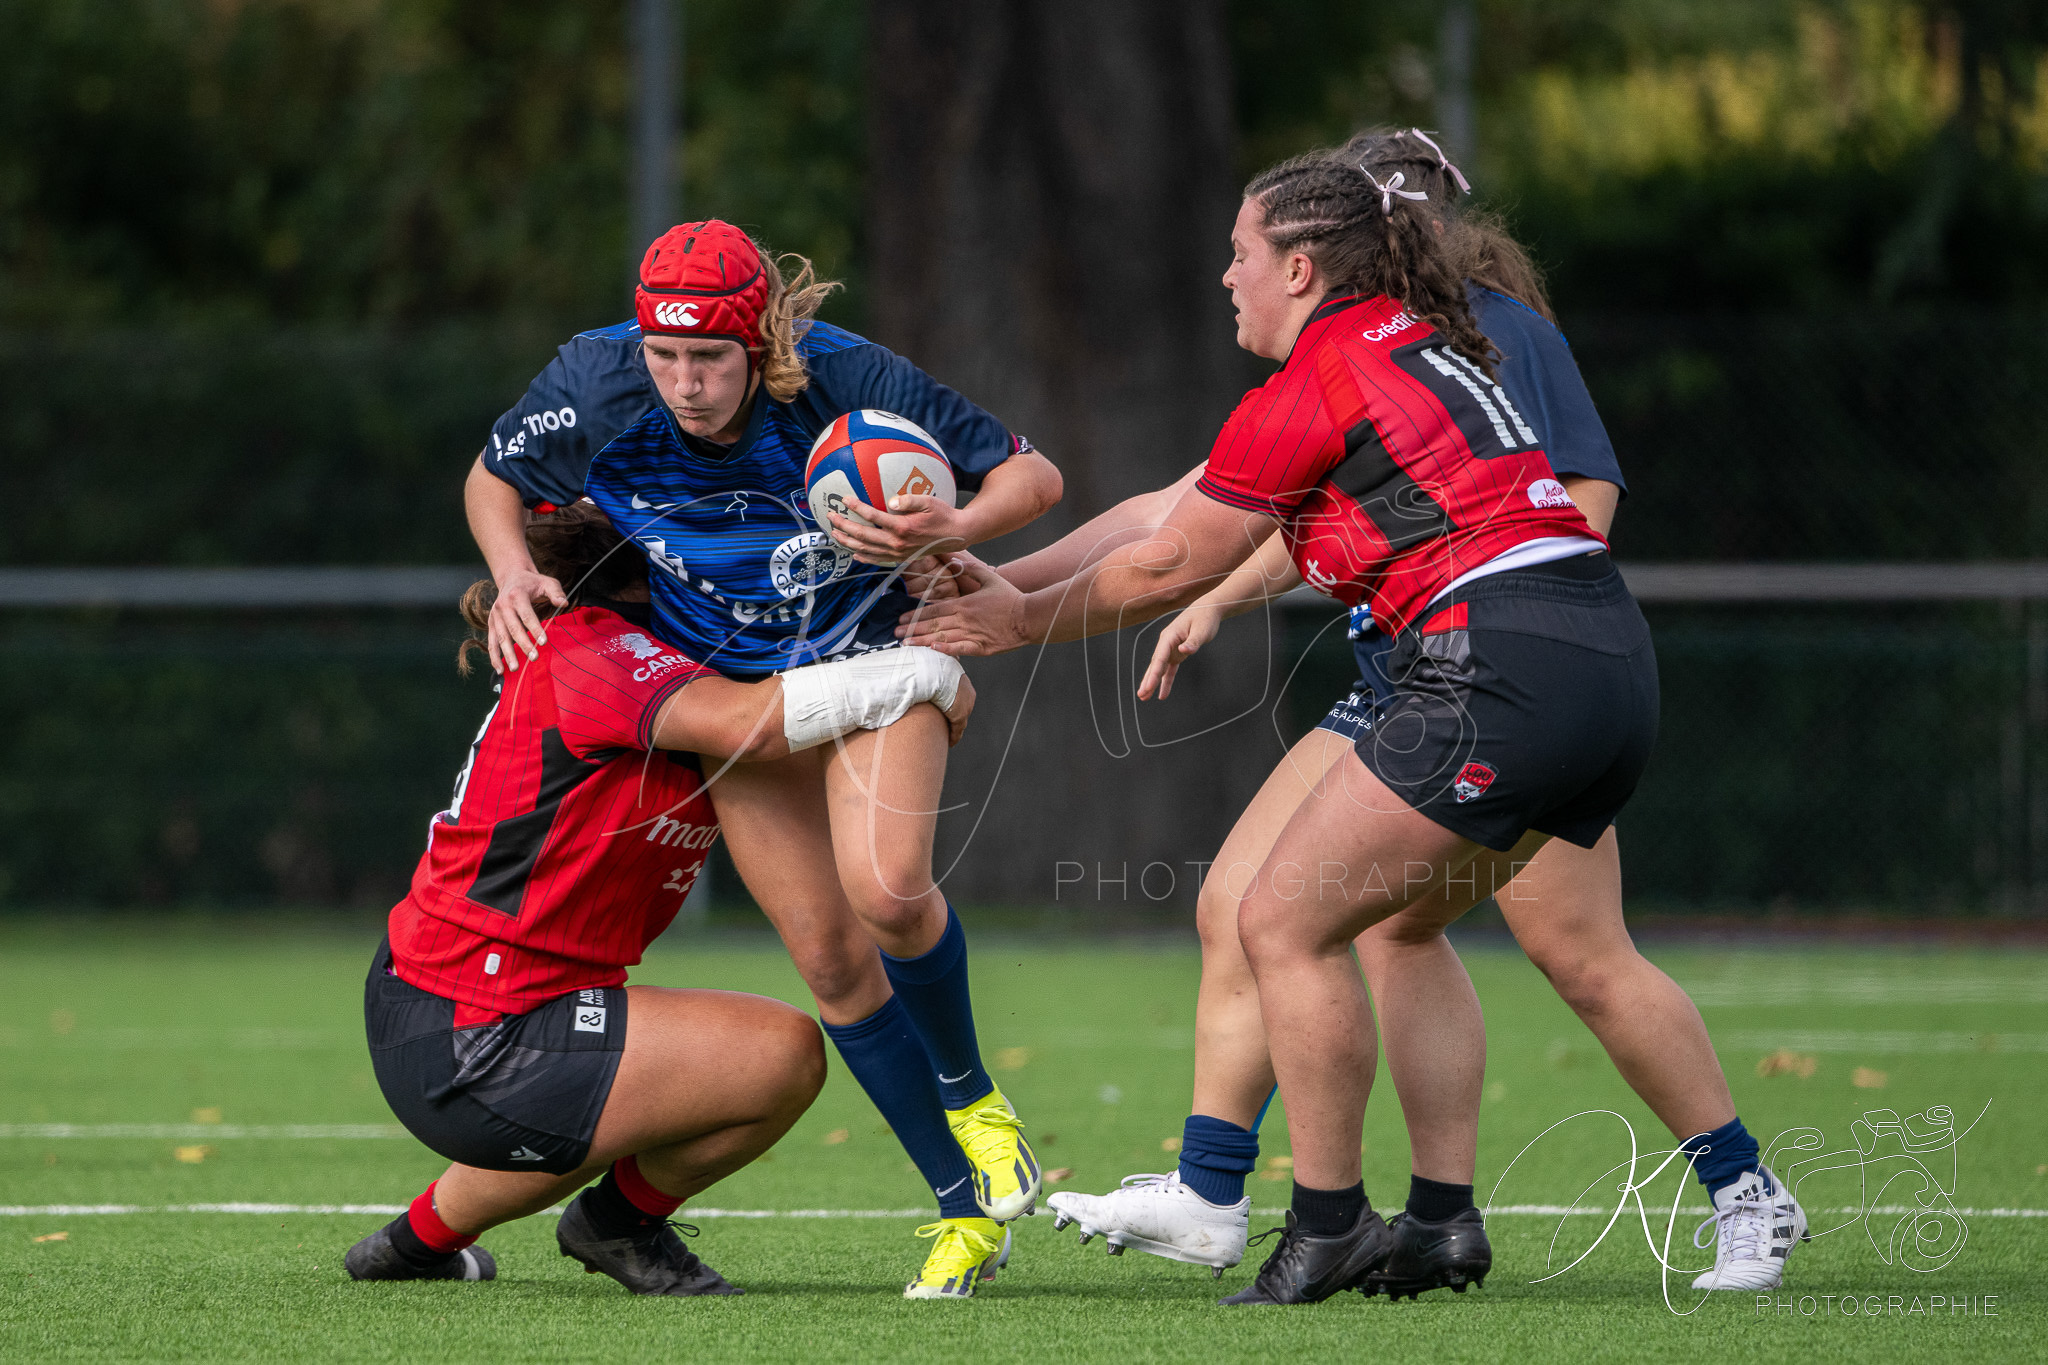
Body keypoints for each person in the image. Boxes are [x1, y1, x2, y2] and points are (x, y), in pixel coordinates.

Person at [1022, 133, 1804, 1298]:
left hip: (1496, 676)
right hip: (1415, 671)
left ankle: (1743, 1194)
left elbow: (1573, 492)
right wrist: (1203, 600)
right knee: (1267, 905)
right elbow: (1225, 501)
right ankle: (1254, 1195)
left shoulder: (1483, 331)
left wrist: (1510, 624)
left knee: (1570, 954)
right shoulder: (1358, 348)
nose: (1236, 267)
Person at [467, 221, 1064, 1297]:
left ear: (763, 343)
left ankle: (976, 1106)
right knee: (830, 964)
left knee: (885, 894)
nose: (685, 384)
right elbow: (490, 475)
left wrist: (949, 525)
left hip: (881, 655)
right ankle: (962, 1213)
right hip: (747, 697)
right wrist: (511, 572)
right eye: (665, 356)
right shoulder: (595, 380)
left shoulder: (843, 376)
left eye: (710, 360)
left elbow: (1033, 478)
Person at [346, 503, 978, 1295]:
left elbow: (824, 916)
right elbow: (758, 722)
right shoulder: (598, 645)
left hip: (462, 1004)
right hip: (477, 1025)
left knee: (612, 1096)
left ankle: (412, 1245)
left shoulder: (648, 657)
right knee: (779, 1055)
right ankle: (618, 1223)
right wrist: (927, 673)